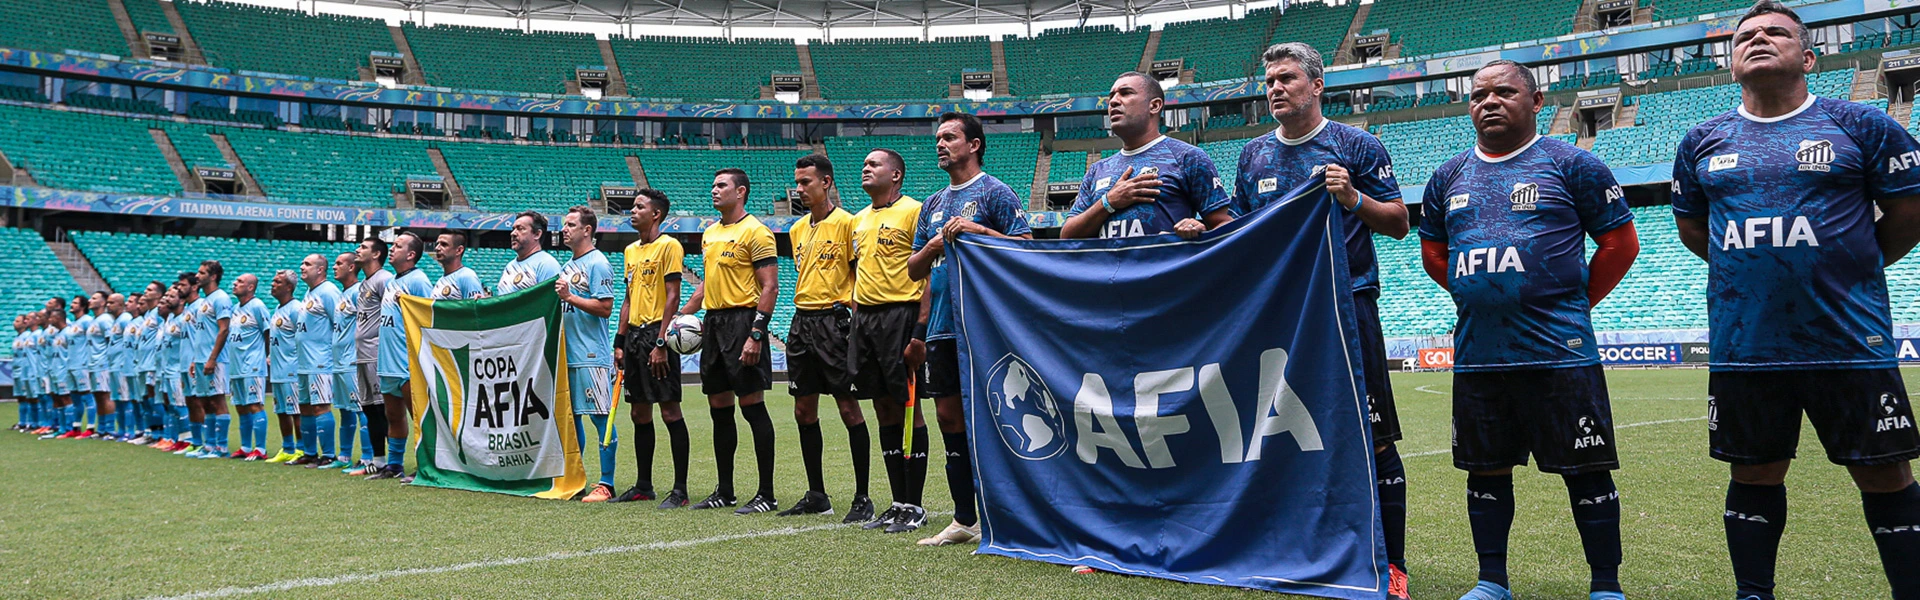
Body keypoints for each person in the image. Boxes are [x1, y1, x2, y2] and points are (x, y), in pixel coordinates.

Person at [1671, 3, 1920, 598]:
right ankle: (1753, 593)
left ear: (1807, 57)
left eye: (1774, 33)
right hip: (1745, 346)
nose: (1757, 39)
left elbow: (1910, 215)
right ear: (1733, 62)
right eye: (1745, 36)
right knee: (1754, 471)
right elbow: (1694, 230)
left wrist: (1843, 267)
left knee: (1884, 472)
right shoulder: (1703, 140)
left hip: (1847, 341)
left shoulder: (1862, 126)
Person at [1419, 60, 1639, 600]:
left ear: (1536, 101)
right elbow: (1434, 254)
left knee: (1586, 470)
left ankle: (1605, 586)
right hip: (1479, 353)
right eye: (1478, 95)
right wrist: (1485, 295)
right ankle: (1492, 580)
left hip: (1559, 354)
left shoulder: (1572, 165)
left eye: (1504, 92)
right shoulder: (1447, 176)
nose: (1488, 102)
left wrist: (1571, 305)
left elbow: (1620, 245)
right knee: (1484, 471)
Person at [1232, 41, 1415, 598]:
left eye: (1287, 78)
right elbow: (1241, 233)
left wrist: (1353, 198)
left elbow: (1400, 221)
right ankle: (1287, 550)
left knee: (1374, 435)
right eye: (1270, 81)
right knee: (1277, 438)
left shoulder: (1355, 143)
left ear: (1316, 86)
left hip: (1345, 307)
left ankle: (1393, 566)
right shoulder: (1253, 155)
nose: (1276, 88)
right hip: (1277, 315)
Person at [906, 111, 1034, 544]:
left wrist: (978, 231)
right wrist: (936, 244)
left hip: (986, 325)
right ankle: (965, 518)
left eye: (949, 137)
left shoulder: (995, 192)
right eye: (938, 138)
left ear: (974, 144)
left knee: (1001, 417)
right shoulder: (933, 204)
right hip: (943, 325)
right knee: (947, 417)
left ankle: (1014, 516)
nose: (940, 144)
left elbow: (1027, 247)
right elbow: (912, 269)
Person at [678, 168, 782, 514]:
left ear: (741, 192)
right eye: (712, 185)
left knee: (752, 407)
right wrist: (682, 315)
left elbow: (770, 286)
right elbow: (707, 284)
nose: (714, 190)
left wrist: (756, 333)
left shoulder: (756, 231)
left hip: (743, 322)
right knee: (719, 409)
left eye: (721, 185)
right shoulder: (709, 235)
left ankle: (766, 494)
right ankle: (725, 490)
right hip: (714, 323)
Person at [778, 153, 873, 519]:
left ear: (826, 183)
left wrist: (851, 314)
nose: (799, 188)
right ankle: (817, 495)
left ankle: (863, 497)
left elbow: (862, 276)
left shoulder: (850, 224)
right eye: (797, 182)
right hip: (801, 322)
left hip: (835, 324)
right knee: (803, 410)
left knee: (848, 406)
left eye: (806, 182)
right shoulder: (797, 229)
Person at [846, 148, 927, 529]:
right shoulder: (857, 221)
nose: (866, 168)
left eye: (874, 164)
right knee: (882, 409)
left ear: (896, 175)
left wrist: (919, 331)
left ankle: (916, 504)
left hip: (902, 314)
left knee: (910, 406)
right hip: (866, 319)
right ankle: (897, 502)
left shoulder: (914, 211)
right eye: (864, 164)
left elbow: (927, 275)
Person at [1061, 72, 1230, 240]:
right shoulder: (1097, 170)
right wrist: (1108, 202)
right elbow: (1067, 236)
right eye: (1111, 96)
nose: (1113, 101)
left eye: (1126, 93)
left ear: (1154, 106)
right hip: (1111, 267)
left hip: (1165, 266)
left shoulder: (1188, 157)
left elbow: (1225, 225)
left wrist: (1200, 229)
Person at [610, 188, 690, 507]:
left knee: (669, 410)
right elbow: (628, 298)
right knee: (639, 411)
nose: (632, 211)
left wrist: (661, 340)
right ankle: (644, 485)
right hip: (634, 338)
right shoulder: (630, 251)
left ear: (655, 214)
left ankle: (680, 490)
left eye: (639, 206)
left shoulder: (669, 246)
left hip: (658, 336)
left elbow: (673, 295)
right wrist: (620, 341)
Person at [554, 207, 621, 502]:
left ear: (587, 230)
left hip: (591, 354)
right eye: (564, 225)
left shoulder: (598, 263)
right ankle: (576, 479)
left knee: (600, 416)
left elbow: (605, 308)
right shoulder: (568, 265)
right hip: (567, 354)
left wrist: (570, 297)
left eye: (571, 225)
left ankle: (606, 484)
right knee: (572, 419)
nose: (564, 229)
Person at [371, 232, 433, 481]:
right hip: (388, 362)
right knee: (393, 416)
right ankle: (394, 465)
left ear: (411, 254)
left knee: (418, 417)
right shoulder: (391, 282)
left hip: (408, 362)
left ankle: (426, 466)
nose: (392, 249)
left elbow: (427, 316)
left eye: (397, 246)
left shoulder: (419, 280)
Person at [293, 254, 344, 467]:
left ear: (320, 269)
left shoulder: (329, 291)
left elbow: (339, 324)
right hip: (304, 362)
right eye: (302, 262)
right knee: (304, 406)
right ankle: (310, 452)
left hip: (320, 361)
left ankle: (329, 455)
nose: (302, 266)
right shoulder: (309, 293)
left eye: (307, 264)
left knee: (321, 406)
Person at [351, 239, 393, 473]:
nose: (358, 250)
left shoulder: (384, 279)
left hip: (376, 353)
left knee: (381, 408)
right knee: (368, 407)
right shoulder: (364, 284)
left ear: (376, 254)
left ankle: (392, 461)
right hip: (362, 354)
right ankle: (377, 461)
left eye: (364, 247)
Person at [333, 253, 372, 472]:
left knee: (360, 409)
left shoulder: (359, 292)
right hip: (338, 362)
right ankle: (344, 455)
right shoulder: (342, 294)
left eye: (339, 264)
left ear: (351, 267)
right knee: (344, 409)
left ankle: (367, 458)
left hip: (352, 361)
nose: (335, 267)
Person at [225, 274, 271, 460]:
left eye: (240, 282)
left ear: (251, 287)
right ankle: (245, 447)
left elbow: (268, 333)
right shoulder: (235, 309)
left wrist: (268, 355)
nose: (235, 284)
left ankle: (260, 449)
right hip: (236, 366)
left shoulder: (258, 306)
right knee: (240, 406)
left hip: (252, 365)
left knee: (254, 405)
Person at [266, 271, 305, 464]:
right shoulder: (278, 309)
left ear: (288, 287)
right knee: (281, 410)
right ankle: (287, 448)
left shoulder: (296, 309)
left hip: (292, 368)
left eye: (277, 282)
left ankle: (301, 448)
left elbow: (304, 338)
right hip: (278, 370)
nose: (273, 284)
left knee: (295, 411)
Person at [498, 211, 562, 296]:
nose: (513, 233)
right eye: (513, 229)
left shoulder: (547, 264)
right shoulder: (509, 266)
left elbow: (548, 304)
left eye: (520, 228)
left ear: (537, 234)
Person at [432, 232, 487, 300]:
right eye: (437, 244)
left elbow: (475, 308)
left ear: (459, 250)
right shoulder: (441, 279)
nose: (437, 248)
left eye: (444, 244)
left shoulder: (467, 276)